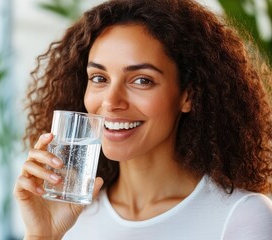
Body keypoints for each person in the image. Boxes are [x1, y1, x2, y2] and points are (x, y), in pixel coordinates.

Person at [14, 0, 272, 239]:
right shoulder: (68, 215)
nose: (111, 102)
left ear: (188, 95)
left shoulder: (240, 217)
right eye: (99, 78)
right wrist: (41, 235)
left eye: (141, 80)